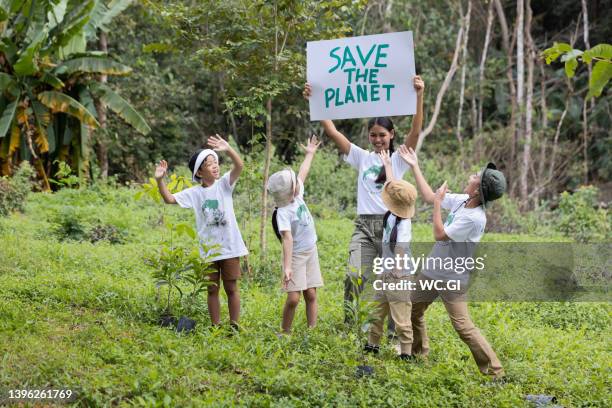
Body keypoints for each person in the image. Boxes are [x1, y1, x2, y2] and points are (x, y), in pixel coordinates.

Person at [303, 76, 425, 331]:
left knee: (395, 280)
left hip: (392, 227)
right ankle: (351, 324)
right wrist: (316, 101)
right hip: (364, 228)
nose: (377, 139)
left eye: (382, 135)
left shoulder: (401, 159)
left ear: (392, 135)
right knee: (354, 275)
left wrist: (419, 95)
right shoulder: (361, 157)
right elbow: (332, 131)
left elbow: (415, 131)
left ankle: (396, 331)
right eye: (373, 135)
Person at [398, 145, 506, 378]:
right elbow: (429, 196)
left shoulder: (474, 217)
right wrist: (414, 165)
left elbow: (439, 234)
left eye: (476, 177)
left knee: (463, 327)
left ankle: (495, 372)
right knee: (413, 310)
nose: (472, 176)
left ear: (478, 191)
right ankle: (418, 355)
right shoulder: (463, 200)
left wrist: (438, 203)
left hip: (452, 279)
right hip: (432, 271)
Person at [154, 135, 248, 329]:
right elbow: (169, 199)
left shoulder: (224, 184)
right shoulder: (195, 193)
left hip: (230, 246)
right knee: (212, 290)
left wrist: (229, 149)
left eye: (216, 161)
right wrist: (159, 181)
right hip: (209, 251)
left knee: (231, 288)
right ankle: (215, 326)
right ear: (199, 172)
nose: (215, 165)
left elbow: (239, 166)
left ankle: (234, 326)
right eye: (209, 163)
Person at [364, 150, 417, 360]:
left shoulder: (403, 224)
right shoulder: (394, 213)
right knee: (377, 311)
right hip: (385, 272)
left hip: (399, 275)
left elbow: (401, 248)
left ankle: (406, 352)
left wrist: (396, 271)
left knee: (401, 315)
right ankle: (372, 345)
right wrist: (387, 164)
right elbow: (395, 187)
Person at [268, 136, 323, 334]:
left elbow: (303, 172)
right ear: (290, 191)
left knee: (311, 294)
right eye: (294, 183)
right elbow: (287, 239)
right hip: (296, 256)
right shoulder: (283, 212)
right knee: (293, 298)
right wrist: (288, 267)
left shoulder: (297, 196)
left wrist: (310, 153)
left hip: (311, 250)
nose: (298, 182)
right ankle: (285, 332)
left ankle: (312, 331)